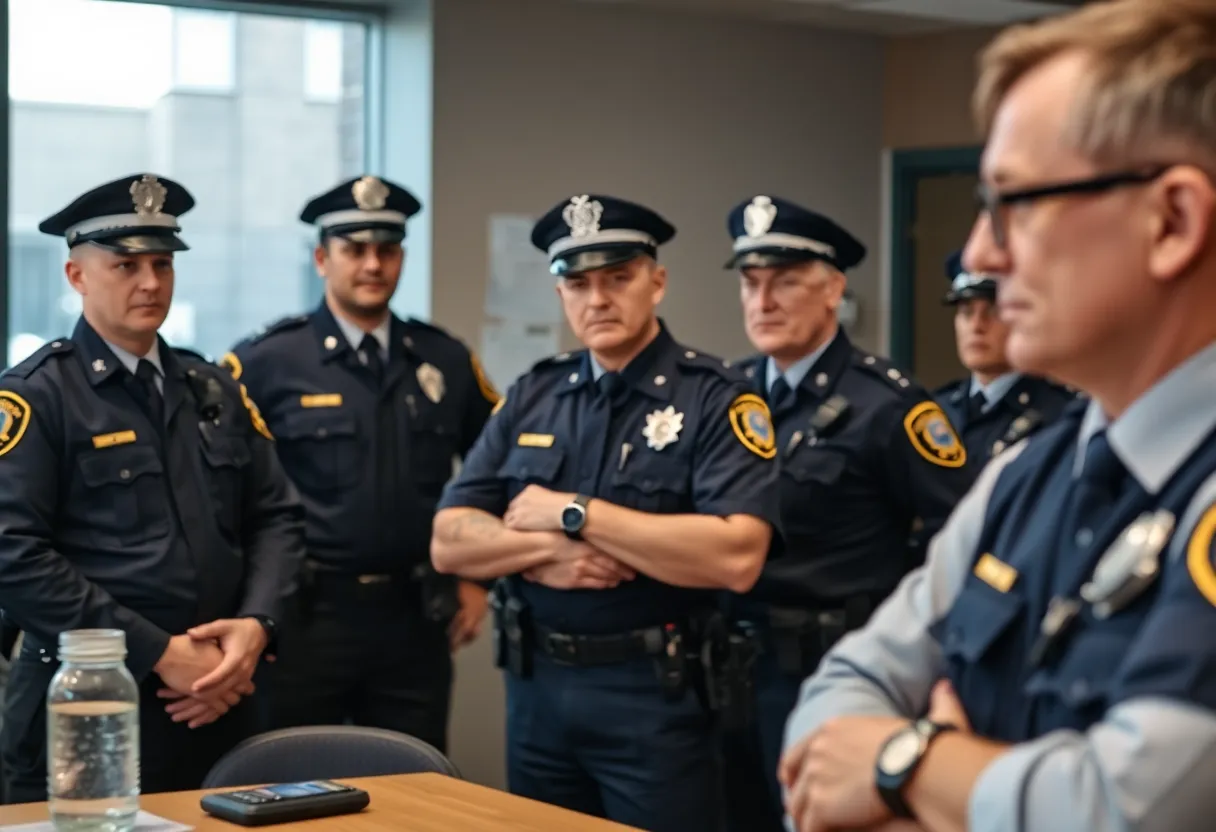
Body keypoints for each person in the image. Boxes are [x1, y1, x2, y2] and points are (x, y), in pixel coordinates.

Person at [779, 1, 1216, 830]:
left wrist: (906, 763)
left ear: (1174, 222)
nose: (980, 253)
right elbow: (828, 717)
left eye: (1014, 201)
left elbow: (1122, 813)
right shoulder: (1027, 478)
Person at [430, 193, 782, 832]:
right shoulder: (535, 394)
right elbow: (450, 541)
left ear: (657, 281)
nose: (597, 300)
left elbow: (737, 556)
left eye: (618, 278)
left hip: (656, 696)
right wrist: (551, 551)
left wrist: (575, 512)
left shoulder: (716, 396)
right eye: (578, 283)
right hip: (537, 692)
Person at [0, 173, 305, 802]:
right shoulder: (38, 395)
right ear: (77, 276)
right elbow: (12, 555)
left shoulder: (211, 387)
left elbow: (277, 518)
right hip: (89, 699)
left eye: (162, 265)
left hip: (222, 694)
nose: (150, 283)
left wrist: (255, 627)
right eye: (126, 265)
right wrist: (157, 652)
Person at [719, 196, 974, 831]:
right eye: (751, 283)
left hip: (829, 667)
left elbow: (960, 540)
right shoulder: (727, 393)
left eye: (785, 281)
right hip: (724, 668)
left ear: (833, 289)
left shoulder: (887, 405)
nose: (764, 301)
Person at [221, 175, 496, 753]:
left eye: (387, 250)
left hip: (415, 616)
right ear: (323, 259)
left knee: (413, 790)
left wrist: (477, 577)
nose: (373, 265)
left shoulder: (445, 358)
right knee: (287, 785)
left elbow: (494, 471)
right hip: (303, 618)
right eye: (354, 250)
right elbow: (224, 493)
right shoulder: (265, 363)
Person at [934, 249, 1077, 466]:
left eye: (992, 311)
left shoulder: (1056, 412)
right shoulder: (936, 409)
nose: (976, 326)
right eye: (966, 312)